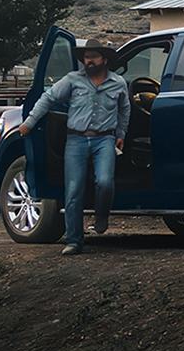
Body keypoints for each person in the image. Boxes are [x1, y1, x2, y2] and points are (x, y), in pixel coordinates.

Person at [17, 38, 130, 255]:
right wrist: (29, 123)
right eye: (86, 57)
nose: (89, 61)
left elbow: (125, 110)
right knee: (73, 190)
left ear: (104, 59)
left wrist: (121, 134)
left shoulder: (118, 83)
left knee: (105, 182)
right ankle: (74, 240)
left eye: (93, 57)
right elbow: (48, 98)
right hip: (76, 140)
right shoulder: (72, 80)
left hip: (104, 139)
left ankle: (101, 214)